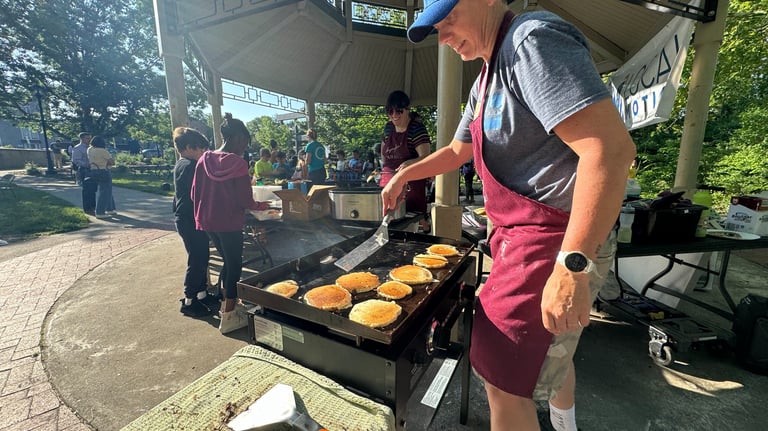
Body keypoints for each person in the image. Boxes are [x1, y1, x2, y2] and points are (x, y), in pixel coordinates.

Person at [382, 2, 637, 430]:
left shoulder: (531, 41)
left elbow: (609, 151)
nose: (442, 38)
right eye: (435, 29)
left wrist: (572, 266)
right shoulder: (484, 80)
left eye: (448, 21)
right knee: (549, 353)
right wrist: (403, 176)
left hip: (556, 239)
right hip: (519, 238)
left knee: (502, 378)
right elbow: (457, 152)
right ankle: (564, 424)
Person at [192, 113, 269, 334]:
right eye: (245, 141)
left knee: (227, 260)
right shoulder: (238, 163)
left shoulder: (203, 159)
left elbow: (194, 193)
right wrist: (265, 206)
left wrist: (200, 217)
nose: (245, 146)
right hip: (229, 221)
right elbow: (245, 201)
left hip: (207, 220)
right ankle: (229, 315)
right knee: (235, 264)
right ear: (236, 137)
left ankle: (230, 302)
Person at [172, 127, 218, 317]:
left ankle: (201, 294)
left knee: (202, 256)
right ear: (189, 147)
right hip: (189, 219)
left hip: (190, 218)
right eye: (201, 149)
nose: (204, 153)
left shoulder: (183, 164)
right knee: (197, 259)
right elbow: (198, 195)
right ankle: (189, 301)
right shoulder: (190, 166)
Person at [380, 90, 432, 233]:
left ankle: (424, 227)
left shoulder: (416, 128)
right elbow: (383, 150)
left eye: (399, 111)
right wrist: (384, 170)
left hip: (412, 183)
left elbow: (426, 157)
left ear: (407, 109)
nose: (394, 115)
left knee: (408, 223)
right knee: (387, 221)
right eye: (390, 112)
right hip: (389, 178)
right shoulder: (388, 128)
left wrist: (410, 163)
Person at [87, 135, 116, 218]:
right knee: (105, 192)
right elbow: (112, 162)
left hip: (93, 170)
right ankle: (100, 212)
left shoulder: (89, 149)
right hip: (103, 170)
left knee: (107, 191)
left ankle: (110, 208)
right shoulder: (103, 151)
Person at [72, 132, 96, 215]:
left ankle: (93, 206)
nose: (89, 140)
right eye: (87, 138)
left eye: (90, 138)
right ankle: (87, 208)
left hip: (93, 169)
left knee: (93, 189)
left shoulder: (91, 147)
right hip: (84, 170)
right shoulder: (77, 148)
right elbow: (76, 160)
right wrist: (86, 164)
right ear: (81, 139)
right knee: (86, 190)